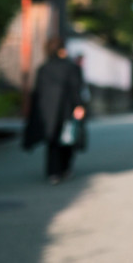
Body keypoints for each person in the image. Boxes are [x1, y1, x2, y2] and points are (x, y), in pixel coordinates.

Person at [23, 36, 86, 185]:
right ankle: (65, 168)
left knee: (52, 141)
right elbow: (76, 88)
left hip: (47, 111)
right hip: (67, 109)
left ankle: (53, 172)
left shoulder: (43, 69)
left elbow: (37, 92)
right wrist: (79, 105)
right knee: (67, 139)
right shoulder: (71, 67)